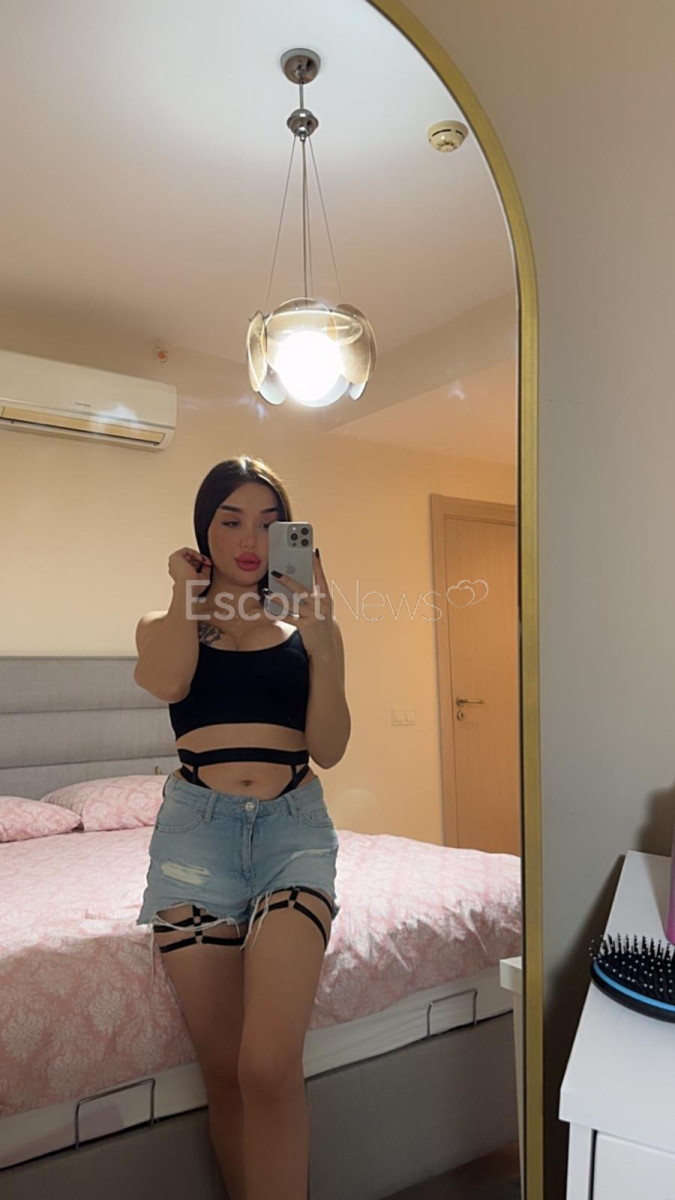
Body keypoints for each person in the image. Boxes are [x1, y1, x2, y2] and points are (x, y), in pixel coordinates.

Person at [133, 455, 350, 1200]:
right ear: (204, 531)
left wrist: (323, 638)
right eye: (230, 520)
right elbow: (168, 680)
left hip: (293, 832)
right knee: (225, 1073)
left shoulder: (305, 627)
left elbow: (329, 747)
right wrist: (183, 592)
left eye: (267, 522)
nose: (250, 539)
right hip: (196, 840)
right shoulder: (169, 622)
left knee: (266, 1064)